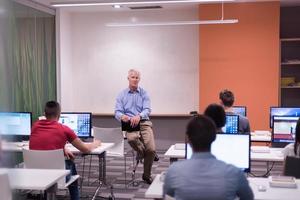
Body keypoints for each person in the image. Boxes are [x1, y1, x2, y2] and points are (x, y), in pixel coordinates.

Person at [163, 115, 254, 200]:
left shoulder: (173, 171)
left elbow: (168, 195)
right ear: (214, 137)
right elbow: (248, 198)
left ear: (187, 139)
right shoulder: (235, 173)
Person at [30, 101, 101, 200]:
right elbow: (85, 149)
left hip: (35, 174)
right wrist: (95, 144)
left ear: (44, 114)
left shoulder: (35, 126)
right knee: (71, 163)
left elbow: (45, 141)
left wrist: (63, 148)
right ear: (59, 115)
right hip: (58, 176)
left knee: (52, 164)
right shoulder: (64, 129)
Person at [115, 69, 157, 184]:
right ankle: (143, 153)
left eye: (137, 77)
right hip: (129, 123)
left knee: (152, 150)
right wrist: (122, 116)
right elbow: (117, 112)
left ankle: (146, 175)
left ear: (139, 79)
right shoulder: (121, 94)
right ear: (128, 78)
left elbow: (147, 109)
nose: (135, 79)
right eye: (133, 77)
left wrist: (139, 116)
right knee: (132, 139)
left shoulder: (144, 93)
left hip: (143, 122)